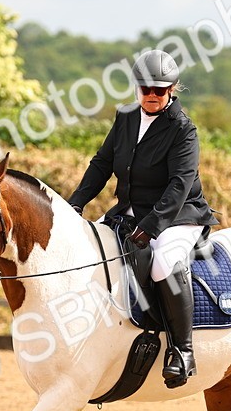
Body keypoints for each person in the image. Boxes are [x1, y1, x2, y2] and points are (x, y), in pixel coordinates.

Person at [67, 49, 218, 389]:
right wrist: (74, 204)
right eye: (146, 89)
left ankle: (183, 350)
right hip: (131, 209)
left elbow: (180, 185)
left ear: (172, 90)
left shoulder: (183, 129)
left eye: (159, 90)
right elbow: (102, 163)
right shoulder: (125, 118)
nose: (151, 96)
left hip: (178, 216)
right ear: (136, 88)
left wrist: (150, 227)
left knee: (164, 263)